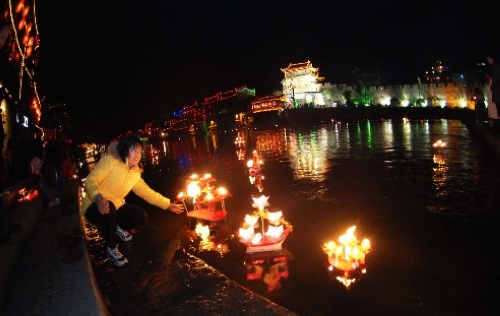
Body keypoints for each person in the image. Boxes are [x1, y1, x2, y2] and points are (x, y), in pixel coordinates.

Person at [81, 133, 184, 267]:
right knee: (109, 207)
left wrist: (167, 204)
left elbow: (148, 193)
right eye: (134, 150)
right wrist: (98, 197)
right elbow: (90, 180)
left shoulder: (134, 173)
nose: (137, 155)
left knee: (140, 216)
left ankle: (116, 226)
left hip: (115, 207)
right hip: (93, 206)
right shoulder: (110, 161)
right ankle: (111, 248)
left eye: (140, 152)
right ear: (125, 149)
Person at [487, 53, 500, 119]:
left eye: (489, 59)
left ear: (493, 59)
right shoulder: (493, 68)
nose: (488, 61)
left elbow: (495, 81)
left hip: (497, 92)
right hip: (495, 93)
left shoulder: (496, 68)